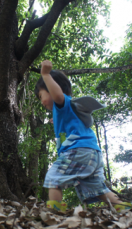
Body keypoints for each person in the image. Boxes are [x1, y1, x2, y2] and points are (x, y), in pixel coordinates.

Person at [34, 60, 131, 212]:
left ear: (52, 88)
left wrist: (45, 75)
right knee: (99, 189)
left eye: (41, 96)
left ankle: (54, 213)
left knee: (53, 177)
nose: (42, 102)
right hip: (92, 154)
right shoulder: (67, 110)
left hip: (78, 151)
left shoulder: (62, 100)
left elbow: (58, 95)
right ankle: (124, 208)